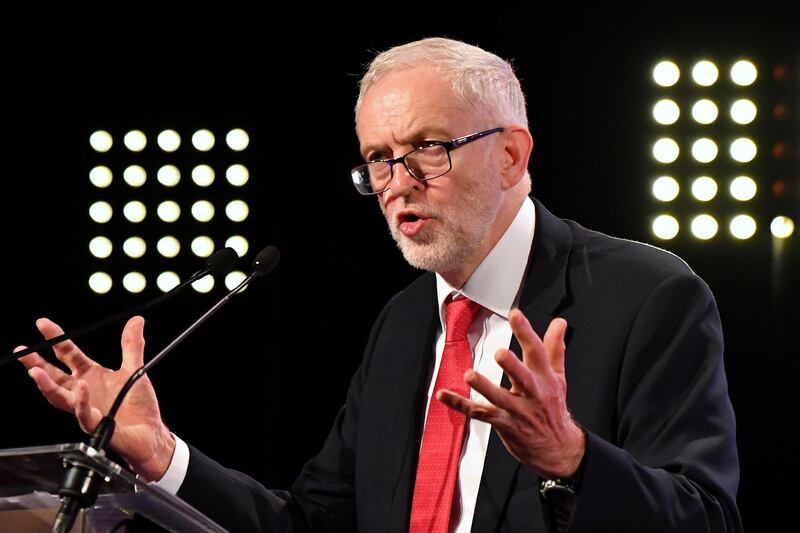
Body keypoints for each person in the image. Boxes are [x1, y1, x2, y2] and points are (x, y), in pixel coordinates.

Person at [18, 37, 742, 532]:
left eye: (428, 147)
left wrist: (574, 459)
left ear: (512, 155)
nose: (400, 183)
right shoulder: (403, 325)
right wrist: (162, 453)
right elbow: (311, 524)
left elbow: (707, 516)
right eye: (379, 159)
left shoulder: (648, 296)